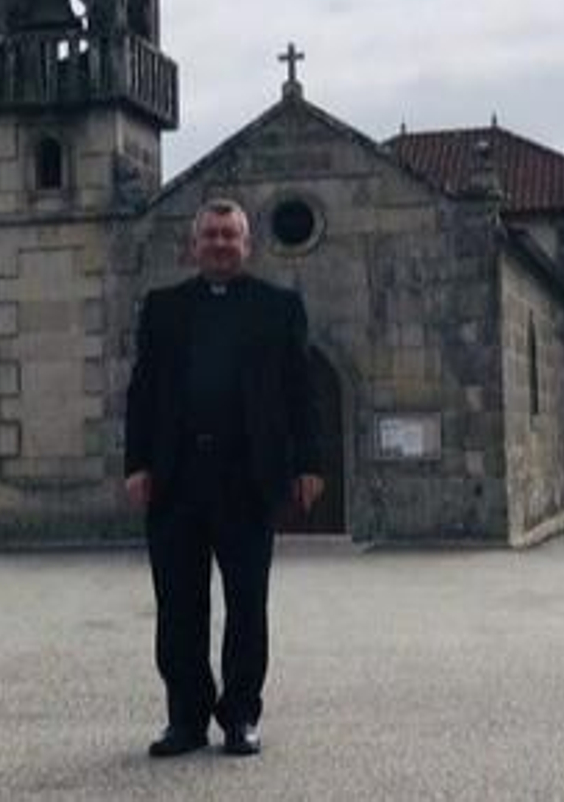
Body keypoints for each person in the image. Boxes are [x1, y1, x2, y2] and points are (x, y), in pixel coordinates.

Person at [124, 198, 324, 758]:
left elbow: (302, 392)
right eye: (210, 235)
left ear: (246, 245)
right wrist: (136, 464)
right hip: (177, 478)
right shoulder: (163, 308)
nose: (219, 244)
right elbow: (142, 392)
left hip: (247, 479)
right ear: (193, 245)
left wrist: (309, 464)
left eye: (229, 235)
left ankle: (241, 716)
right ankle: (185, 720)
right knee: (178, 608)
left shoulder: (279, 307)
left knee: (247, 604)